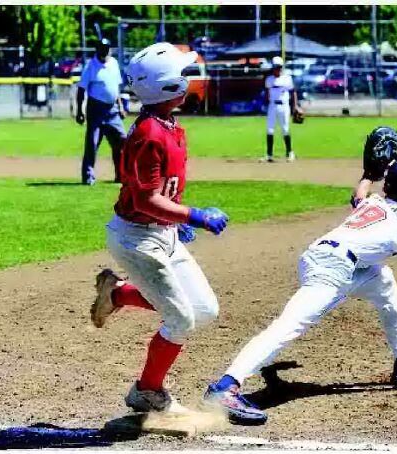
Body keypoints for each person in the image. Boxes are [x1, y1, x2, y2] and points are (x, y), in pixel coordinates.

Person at [204, 158, 397, 425]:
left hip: (328, 257)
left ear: (386, 187)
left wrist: (368, 173)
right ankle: (226, 387)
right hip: (330, 270)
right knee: (289, 325)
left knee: (383, 281)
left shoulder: (373, 202)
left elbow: (360, 193)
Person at [90, 42, 230, 413]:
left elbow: (161, 194)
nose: (189, 80)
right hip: (137, 240)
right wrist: (194, 216)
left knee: (204, 309)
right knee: (180, 318)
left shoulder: (169, 125)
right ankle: (146, 392)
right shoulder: (149, 134)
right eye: (183, 75)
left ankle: (117, 294)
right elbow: (144, 201)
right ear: (167, 86)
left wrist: (175, 219)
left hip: (161, 233)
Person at [76, 38, 126, 185]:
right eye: (102, 48)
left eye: (107, 47)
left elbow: (115, 88)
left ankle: (121, 175)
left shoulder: (114, 63)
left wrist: (121, 106)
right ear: (97, 49)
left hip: (113, 110)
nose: (105, 50)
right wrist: (80, 111)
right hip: (95, 109)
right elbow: (81, 89)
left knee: (121, 141)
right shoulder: (91, 66)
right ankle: (88, 176)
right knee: (92, 143)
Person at [262, 56, 301, 163]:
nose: (277, 69)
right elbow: (267, 93)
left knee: (285, 129)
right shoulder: (269, 79)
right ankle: (269, 155)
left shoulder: (287, 78)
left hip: (284, 106)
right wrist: (264, 104)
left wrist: (296, 106)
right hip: (272, 106)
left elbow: (293, 92)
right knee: (270, 130)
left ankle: (290, 153)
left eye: (279, 67)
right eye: (275, 67)